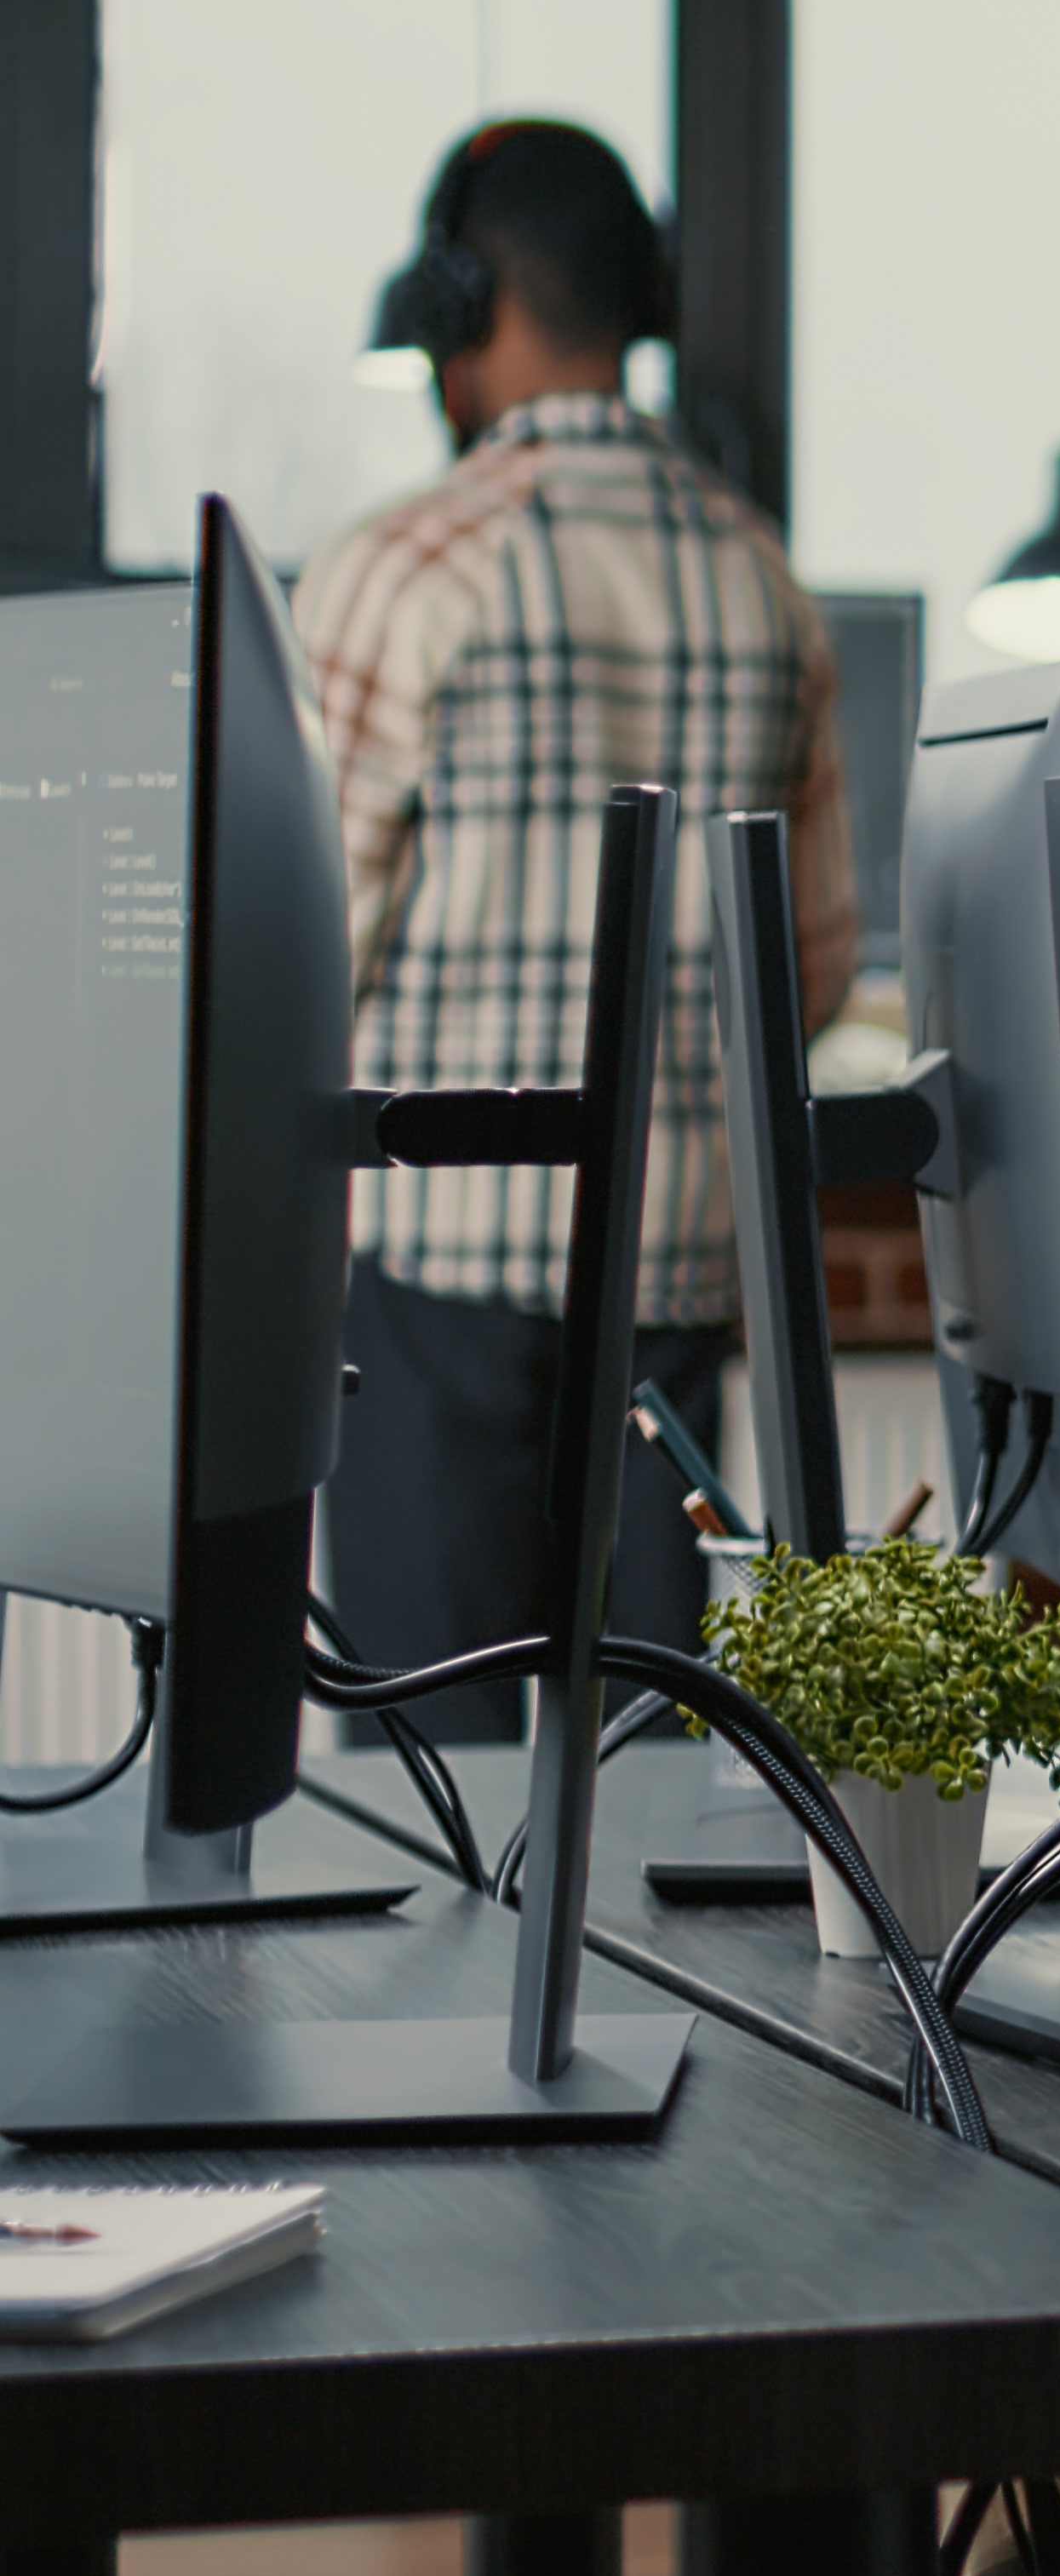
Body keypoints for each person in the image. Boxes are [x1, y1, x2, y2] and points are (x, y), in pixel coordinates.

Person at [300, 120, 855, 1737]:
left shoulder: (403, 569)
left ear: (462, 310)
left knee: (433, 1816)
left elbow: (297, 963)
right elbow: (808, 969)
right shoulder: (766, 583)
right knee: (651, 1816)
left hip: (436, 1291)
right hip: (668, 1303)